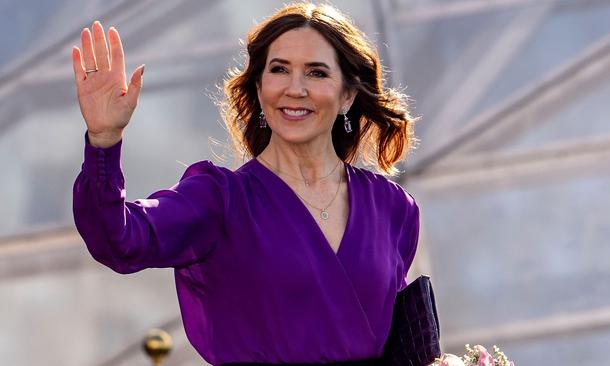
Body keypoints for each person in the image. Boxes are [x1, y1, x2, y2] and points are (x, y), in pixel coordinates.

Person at [72, 3, 420, 365]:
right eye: (279, 69)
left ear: (347, 94)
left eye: (316, 73)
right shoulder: (218, 200)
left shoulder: (393, 207)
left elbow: (401, 343)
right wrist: (104, 140)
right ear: (258, 87)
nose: (295, 88)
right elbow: (118, 239)